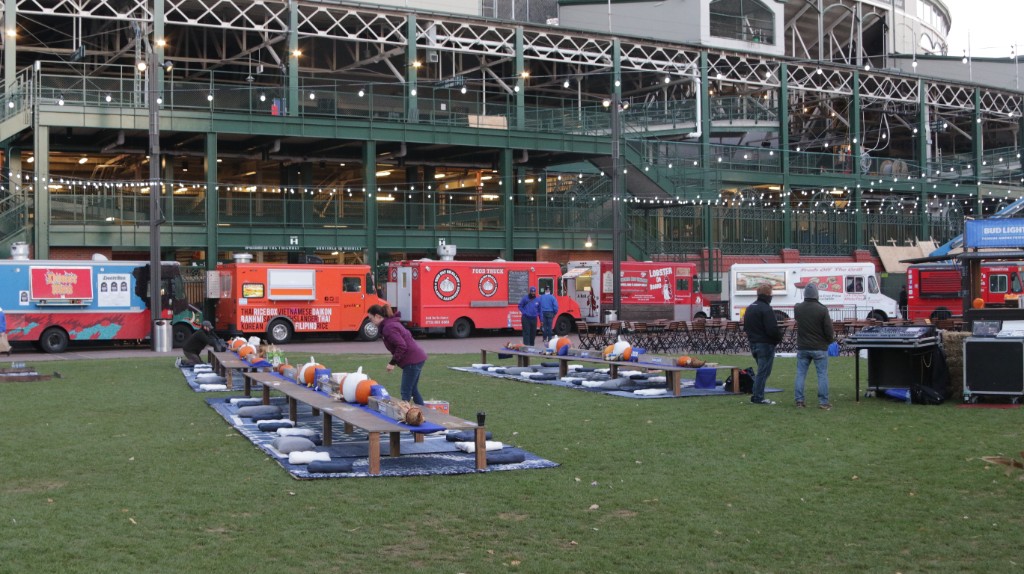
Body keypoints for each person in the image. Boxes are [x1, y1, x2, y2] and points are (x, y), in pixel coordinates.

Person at [368, 303, 427, 405]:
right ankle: (423, 414)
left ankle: (408, 414)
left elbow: (401, 345)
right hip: (417, 358)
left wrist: (392, 363)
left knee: (406, 392)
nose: (371, 322)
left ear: (378, 316)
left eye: (371, 318)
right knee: (413, 389)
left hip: (412, 361)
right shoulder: (390, 324)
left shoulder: (388, 328)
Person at [794, 284, 835, 410]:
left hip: (803, 346)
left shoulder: (798, 308)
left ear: (805, 294)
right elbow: (828, 330)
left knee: (800, 374)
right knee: (822, 374)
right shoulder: (822, 309)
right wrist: (829, 341)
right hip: (819, 347)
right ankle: (823, 402)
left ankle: (799, 401)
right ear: (817, 294)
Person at [742, 283, 782, 405]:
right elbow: (772, 328)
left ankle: (756, 394)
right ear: (768, 295)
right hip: (765, 344)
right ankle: (758, 397)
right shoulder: (766, 309)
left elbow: (746, 327)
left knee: (762, 370)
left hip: (753, 342)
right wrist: (778, 339)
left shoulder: (750, 307)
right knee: (763, 372)